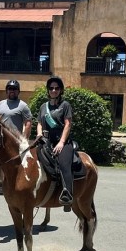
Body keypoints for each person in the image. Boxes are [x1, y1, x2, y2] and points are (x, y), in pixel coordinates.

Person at [36, 76, 74, 207]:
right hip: (46, 141)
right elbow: (39, 123)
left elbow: (68, 124)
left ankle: (67, 194)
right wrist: (39, 134)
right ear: (48, 90)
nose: (53, 90)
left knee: (64, 163)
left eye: (56, 88)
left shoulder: (65, 105)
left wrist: (62, 142)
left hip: (62, 142)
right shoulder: (43, 107)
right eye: (51, 88)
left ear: (61, 90)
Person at [0, 79, 33, 195]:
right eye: (10, 89)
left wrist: (24, 139)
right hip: (0, 138)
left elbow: (28, 123)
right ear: (6, 91)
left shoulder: (23, 106)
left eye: (15, 89)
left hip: (15, 140)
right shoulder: (1, 104)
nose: (12, 91)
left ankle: (7, 183)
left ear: (18, 91)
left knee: (14, 162)